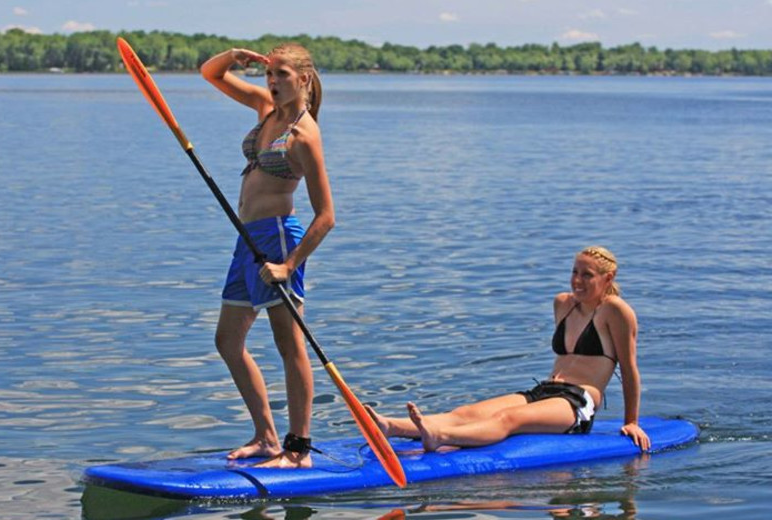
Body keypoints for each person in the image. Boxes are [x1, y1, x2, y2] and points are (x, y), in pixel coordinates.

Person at [367, 246, 651, 452]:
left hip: (577, 403)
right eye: (574, 272)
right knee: (467, 412)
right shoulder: (562, 303)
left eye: (587, 275)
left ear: (608, 278)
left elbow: (629, 369)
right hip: (544, 391)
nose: (577, 281)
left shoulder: (615, 311)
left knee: (508, 419)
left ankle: (439, 436)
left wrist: (632, 422)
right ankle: (391, 426)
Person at [201, 42, 335, 469]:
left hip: (278, 240)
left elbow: (326, 216)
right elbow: (211, 74)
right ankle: (265, 436)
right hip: (248, 239)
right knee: (227, 341)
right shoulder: (265, 108)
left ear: (304, 80)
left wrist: (289, 264)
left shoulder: (303, 134)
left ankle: (298, 450)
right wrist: (234, 55)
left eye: (282, 75)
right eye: (269, 74)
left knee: (288, 343)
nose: (272, 82)